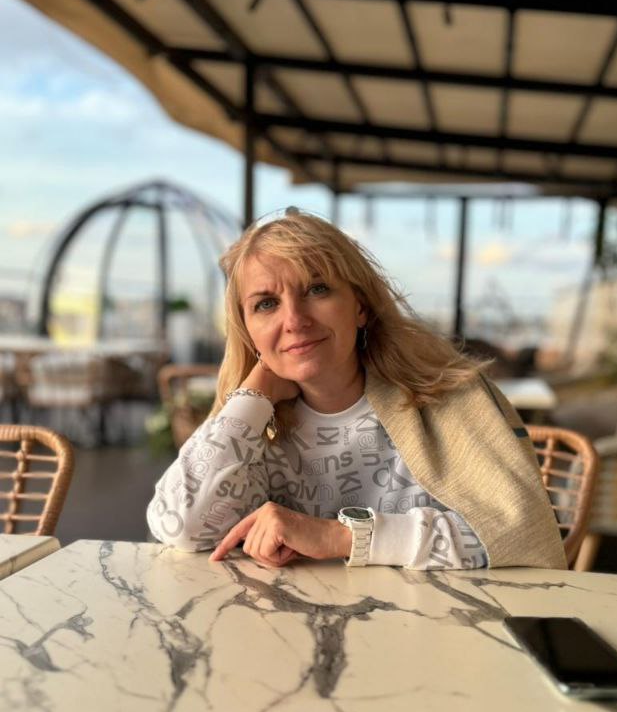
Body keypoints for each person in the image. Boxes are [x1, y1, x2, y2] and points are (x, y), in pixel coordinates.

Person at [147, 212, 566, 572]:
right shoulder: (254, 424)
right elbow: (179, 526)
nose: (294, 320)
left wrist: (340, 537)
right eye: (266, 304)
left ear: (360, 306)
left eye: (317, 289)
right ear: (248, 331)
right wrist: (253, 394)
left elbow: (521, 534)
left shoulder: (451, 398)